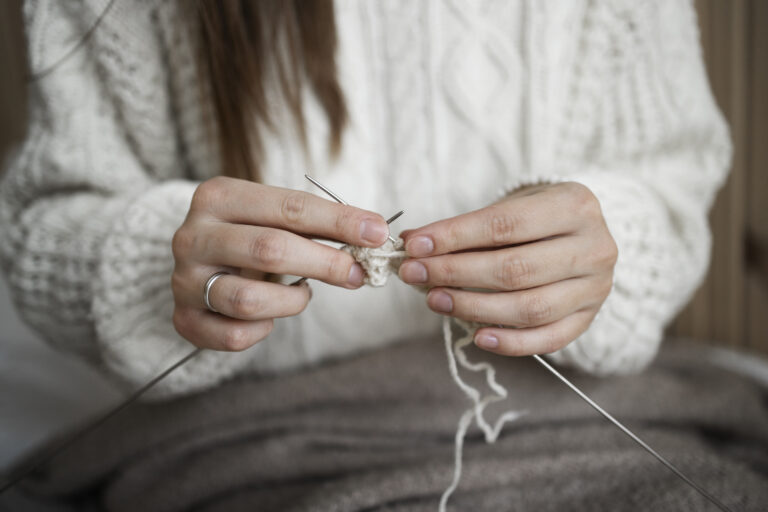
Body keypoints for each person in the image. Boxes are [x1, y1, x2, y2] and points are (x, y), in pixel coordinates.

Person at [0, 0, 730, 401]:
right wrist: (156, 265)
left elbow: (673, 179)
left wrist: (606, 247)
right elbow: (43, 220)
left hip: (563, 406)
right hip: (253, 432)